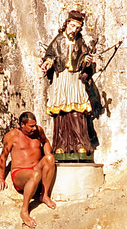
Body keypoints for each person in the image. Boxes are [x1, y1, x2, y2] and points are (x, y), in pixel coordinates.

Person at [41, 9, 98, 155]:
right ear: (67, 24)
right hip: (61, 78)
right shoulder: (58, 40)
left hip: (75, 79)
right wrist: (47, 63)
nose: (74, 30)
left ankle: (80, 144)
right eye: (72, 26)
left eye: (78, 28)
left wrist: (87, 61)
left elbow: (85, 60)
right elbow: (50, 55)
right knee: (60, 112)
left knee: (77, 112)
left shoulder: (80, 41)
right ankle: (61, 145)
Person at [0, 112, 58, 228]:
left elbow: (45, 142)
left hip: (36, 169)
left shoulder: (38, 131)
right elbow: (3, 156)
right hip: (20, 174)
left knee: (49, 159)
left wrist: (47, 153)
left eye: (35, 125)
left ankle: (44, 196)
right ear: (22, 125)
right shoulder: (12, 136)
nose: (34, 128)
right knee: (34, 175)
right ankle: (24, 211)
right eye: (31, 126)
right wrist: (1, 178)